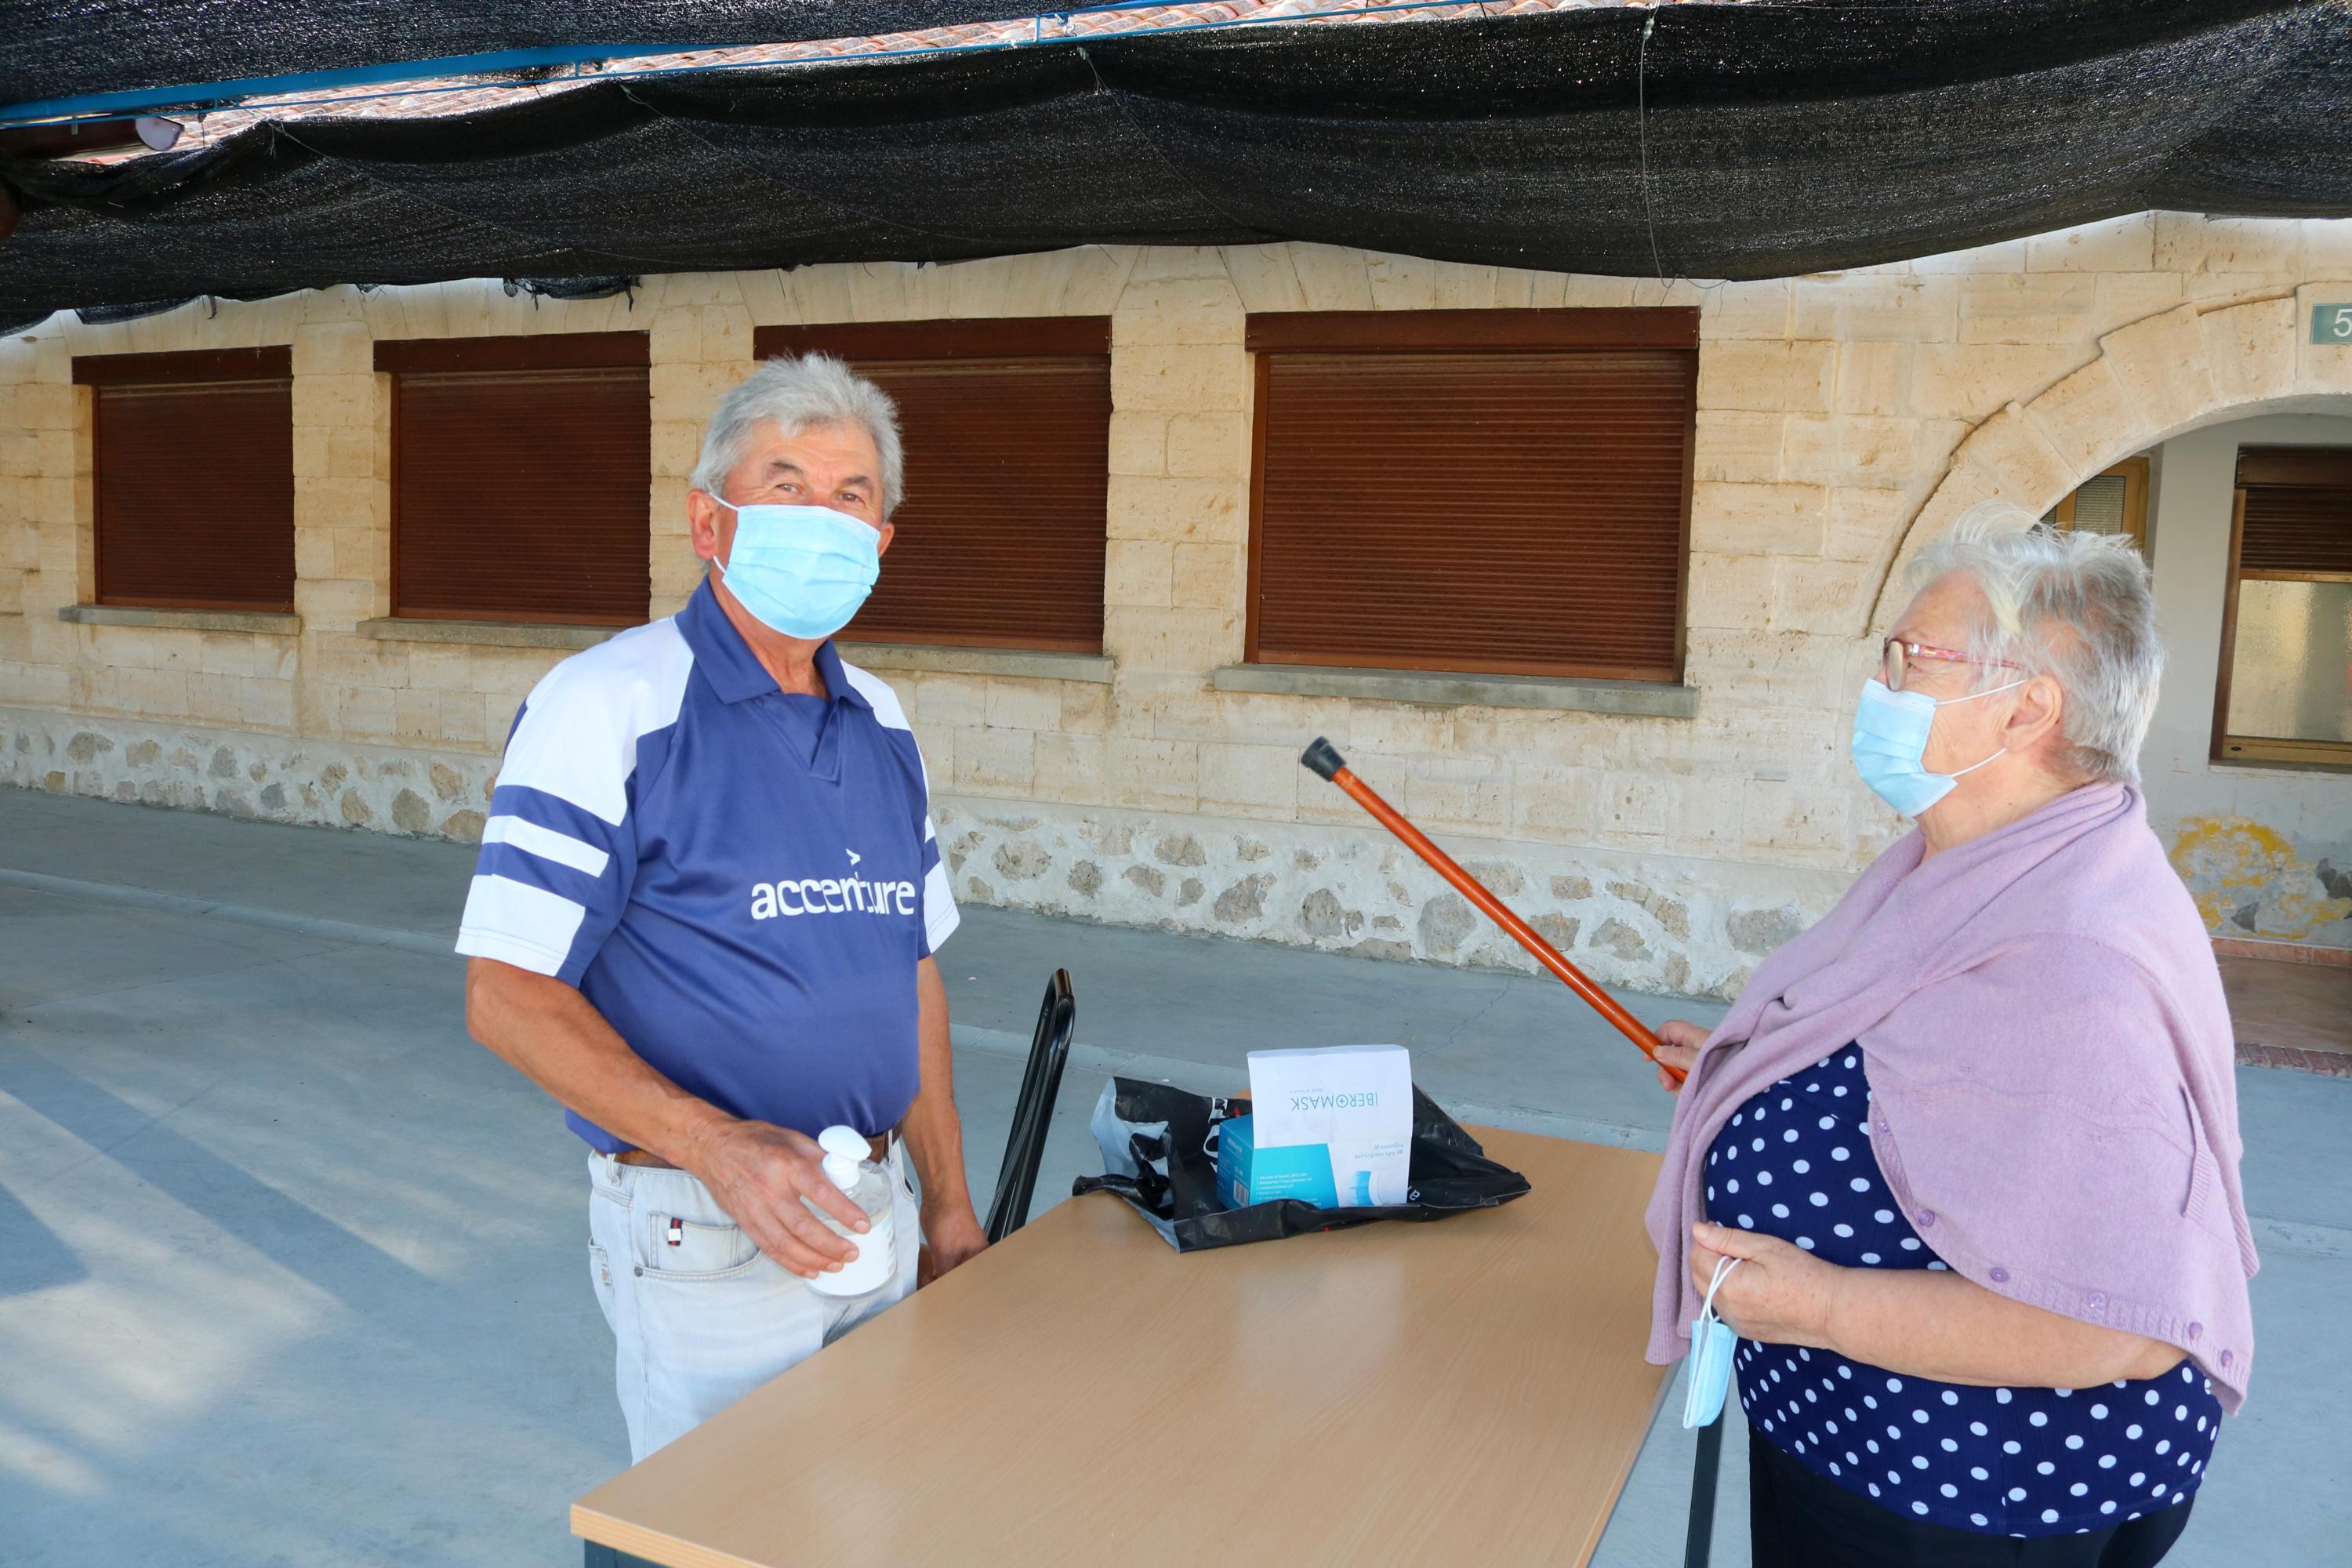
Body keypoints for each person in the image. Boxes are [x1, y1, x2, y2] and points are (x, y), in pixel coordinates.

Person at [1642, 505, 2256, 1567]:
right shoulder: (1985, 861)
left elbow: (2116, 1321)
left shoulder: (2078, 959)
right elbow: (1924, 1041)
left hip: (1974, 1497)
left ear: (2026, 712)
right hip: (1871, 1452)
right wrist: (1772, 1072)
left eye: (1911, 660)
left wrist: (1824, 1306)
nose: (1879, 688)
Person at [457, 354, 988, 1463]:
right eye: (787, 485)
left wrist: (944, 1197)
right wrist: (719, 1149)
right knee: (721, 1528)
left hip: (877, 1212)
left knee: (885, 1508)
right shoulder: (608, 703)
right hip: (703, 1228)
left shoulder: (883, 721)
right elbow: (506, 997)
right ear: (711, 522)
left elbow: (912, 975)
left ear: (882, 543)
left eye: (853, 497)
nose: (825, 518)